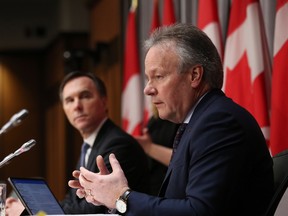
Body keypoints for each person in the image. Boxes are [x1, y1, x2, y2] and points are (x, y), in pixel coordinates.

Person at [68, 23, 274, 215]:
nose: (147, 89)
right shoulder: (198, 122)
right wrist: (110, 197)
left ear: (194, 75)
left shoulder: (219, 122)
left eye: (158, 76)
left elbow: (199, 211)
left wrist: (121, 197)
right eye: (148, 79)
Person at [5, 71, 150, 215]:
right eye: (69, 100)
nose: (77, 106)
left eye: (85, 96)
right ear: (64, 109)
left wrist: (28, 212)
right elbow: (73, 201)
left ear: (104, 101)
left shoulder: (117, 145)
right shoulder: (89, 146)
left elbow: (93, 209)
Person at [135, 108, 179, 195]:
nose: (148, 93)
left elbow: (186, 159)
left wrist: (150, 148)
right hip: (152, 189)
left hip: (171, 190)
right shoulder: (156, 118)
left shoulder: (182, 120)